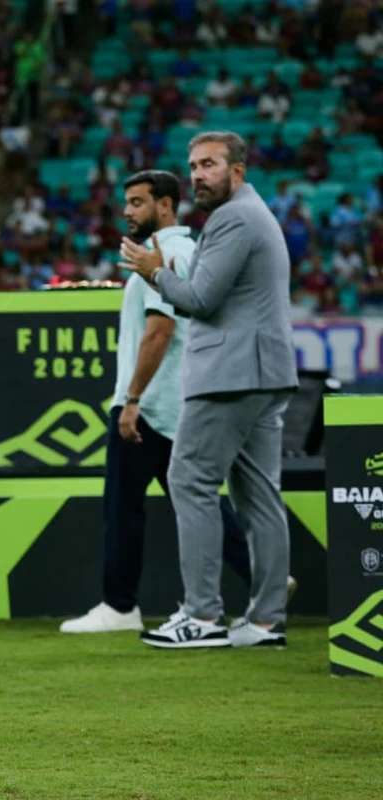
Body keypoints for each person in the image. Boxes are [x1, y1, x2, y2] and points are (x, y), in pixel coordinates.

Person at [61, 170, 260, 634]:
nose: (127, 211)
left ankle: (119, 606)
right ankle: (262, 573)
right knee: (197, 500)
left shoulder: (164, 255)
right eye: (127, 202)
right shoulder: (187, 252)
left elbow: (159, 332)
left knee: (122, 509)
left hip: (149, 405)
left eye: (137, 202)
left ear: (165, 205)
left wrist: (131, 399)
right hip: (175, 401)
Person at [120, 131, 298, 649]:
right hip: (262, 372)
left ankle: (201, 615)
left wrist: (155, 273)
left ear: (237, 170)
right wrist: (171, 274)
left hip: (230, 373)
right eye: (194, 165)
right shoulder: (252, 215)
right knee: (259, 497)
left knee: (190, 480)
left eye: (210, 165)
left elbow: (200, 299)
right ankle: (265, 622)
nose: (198, 174)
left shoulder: (233, 218)